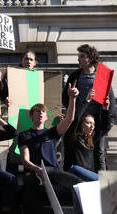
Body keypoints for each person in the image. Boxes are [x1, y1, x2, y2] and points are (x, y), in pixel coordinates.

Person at [18, 82, 83, 214]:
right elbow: (25, 160)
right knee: (28, 182)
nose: (40, 114)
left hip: (53, 172)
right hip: (35, 172)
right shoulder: (24, 135)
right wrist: (37, 169)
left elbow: (69, 119)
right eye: (37, 111)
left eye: (43, 112)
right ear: (31, 115)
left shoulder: (52, 133)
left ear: (46, 116)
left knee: (79, 183)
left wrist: (72, 99)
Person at [62, 44, 116, 172]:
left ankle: (101, 184)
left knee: (99, 152)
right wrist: (72, 109)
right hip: (79, 120)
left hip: (96, 121)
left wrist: (111, 117)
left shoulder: (101, 75)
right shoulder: (75, 75)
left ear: (91, 58)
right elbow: (65, 97)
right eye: (78, 56)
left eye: (82, 56)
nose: (78, 59)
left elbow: (111, 98)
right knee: (73, 150)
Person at [67, 89, 113, 181]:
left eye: (93, 124)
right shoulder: (73, 138)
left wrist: (105, 109)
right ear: (81, 125)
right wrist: (87, 100)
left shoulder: (91, 139)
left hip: (88, 178)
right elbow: (75, 119)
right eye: (88, 123)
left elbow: (105, 127)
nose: (92, 126)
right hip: (75, 174)